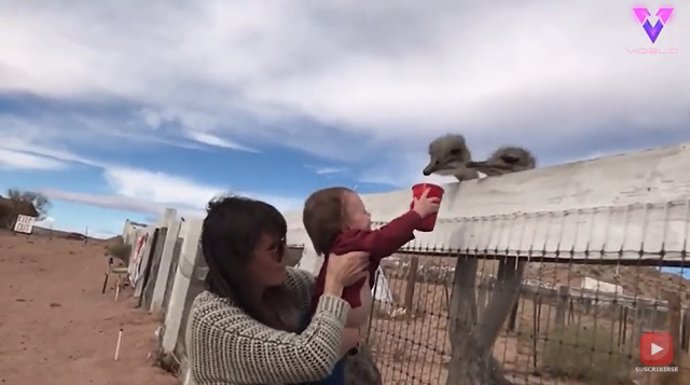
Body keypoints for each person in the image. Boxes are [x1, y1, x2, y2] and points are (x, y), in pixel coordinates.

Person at [188, 195, 371, 385]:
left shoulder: (278, 284)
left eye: (283, 242)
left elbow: (324, 293)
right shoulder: (211, 319)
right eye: (274, 248)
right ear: (237, 260)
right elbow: (312, 359)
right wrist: (335, 284)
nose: (286, 255)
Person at [300, 186, 440, 384]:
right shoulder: (347, 242)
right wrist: (417, 214)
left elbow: (380, 248)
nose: (370, 215)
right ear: (345, 226)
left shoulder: (350, 245)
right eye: (363, 211)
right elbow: (384, 238)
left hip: (339, 340)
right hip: (331, 338)